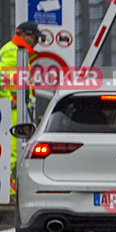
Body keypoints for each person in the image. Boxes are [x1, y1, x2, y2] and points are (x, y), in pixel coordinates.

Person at [0, 21, 42, 196]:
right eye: (34, 37)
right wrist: (12, 100)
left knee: (16, 150)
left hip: (17, 110)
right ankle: (8, 192)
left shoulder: (19, 51)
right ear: (24, 35)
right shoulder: (13, 52)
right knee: (13, 151)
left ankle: (10, 189)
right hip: (13, 112)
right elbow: (4, 82)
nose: (36, 41)